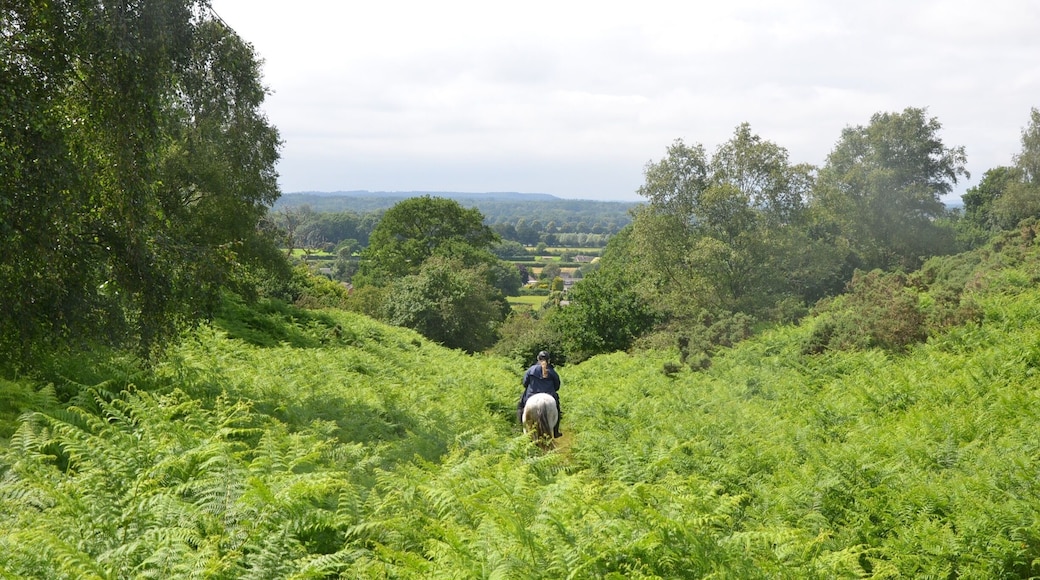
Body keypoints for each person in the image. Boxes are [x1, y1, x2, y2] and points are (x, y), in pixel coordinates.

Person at [517, 350, 562, 438]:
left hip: (531, 395)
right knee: (557, 408)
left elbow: (525, 384)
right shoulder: (552, 372)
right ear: (549, 360)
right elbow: (557, 386)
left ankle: (521, 428)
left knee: (520, 407)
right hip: (549, 395)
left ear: (538, 358)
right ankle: (556, 431)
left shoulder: (531, 370)